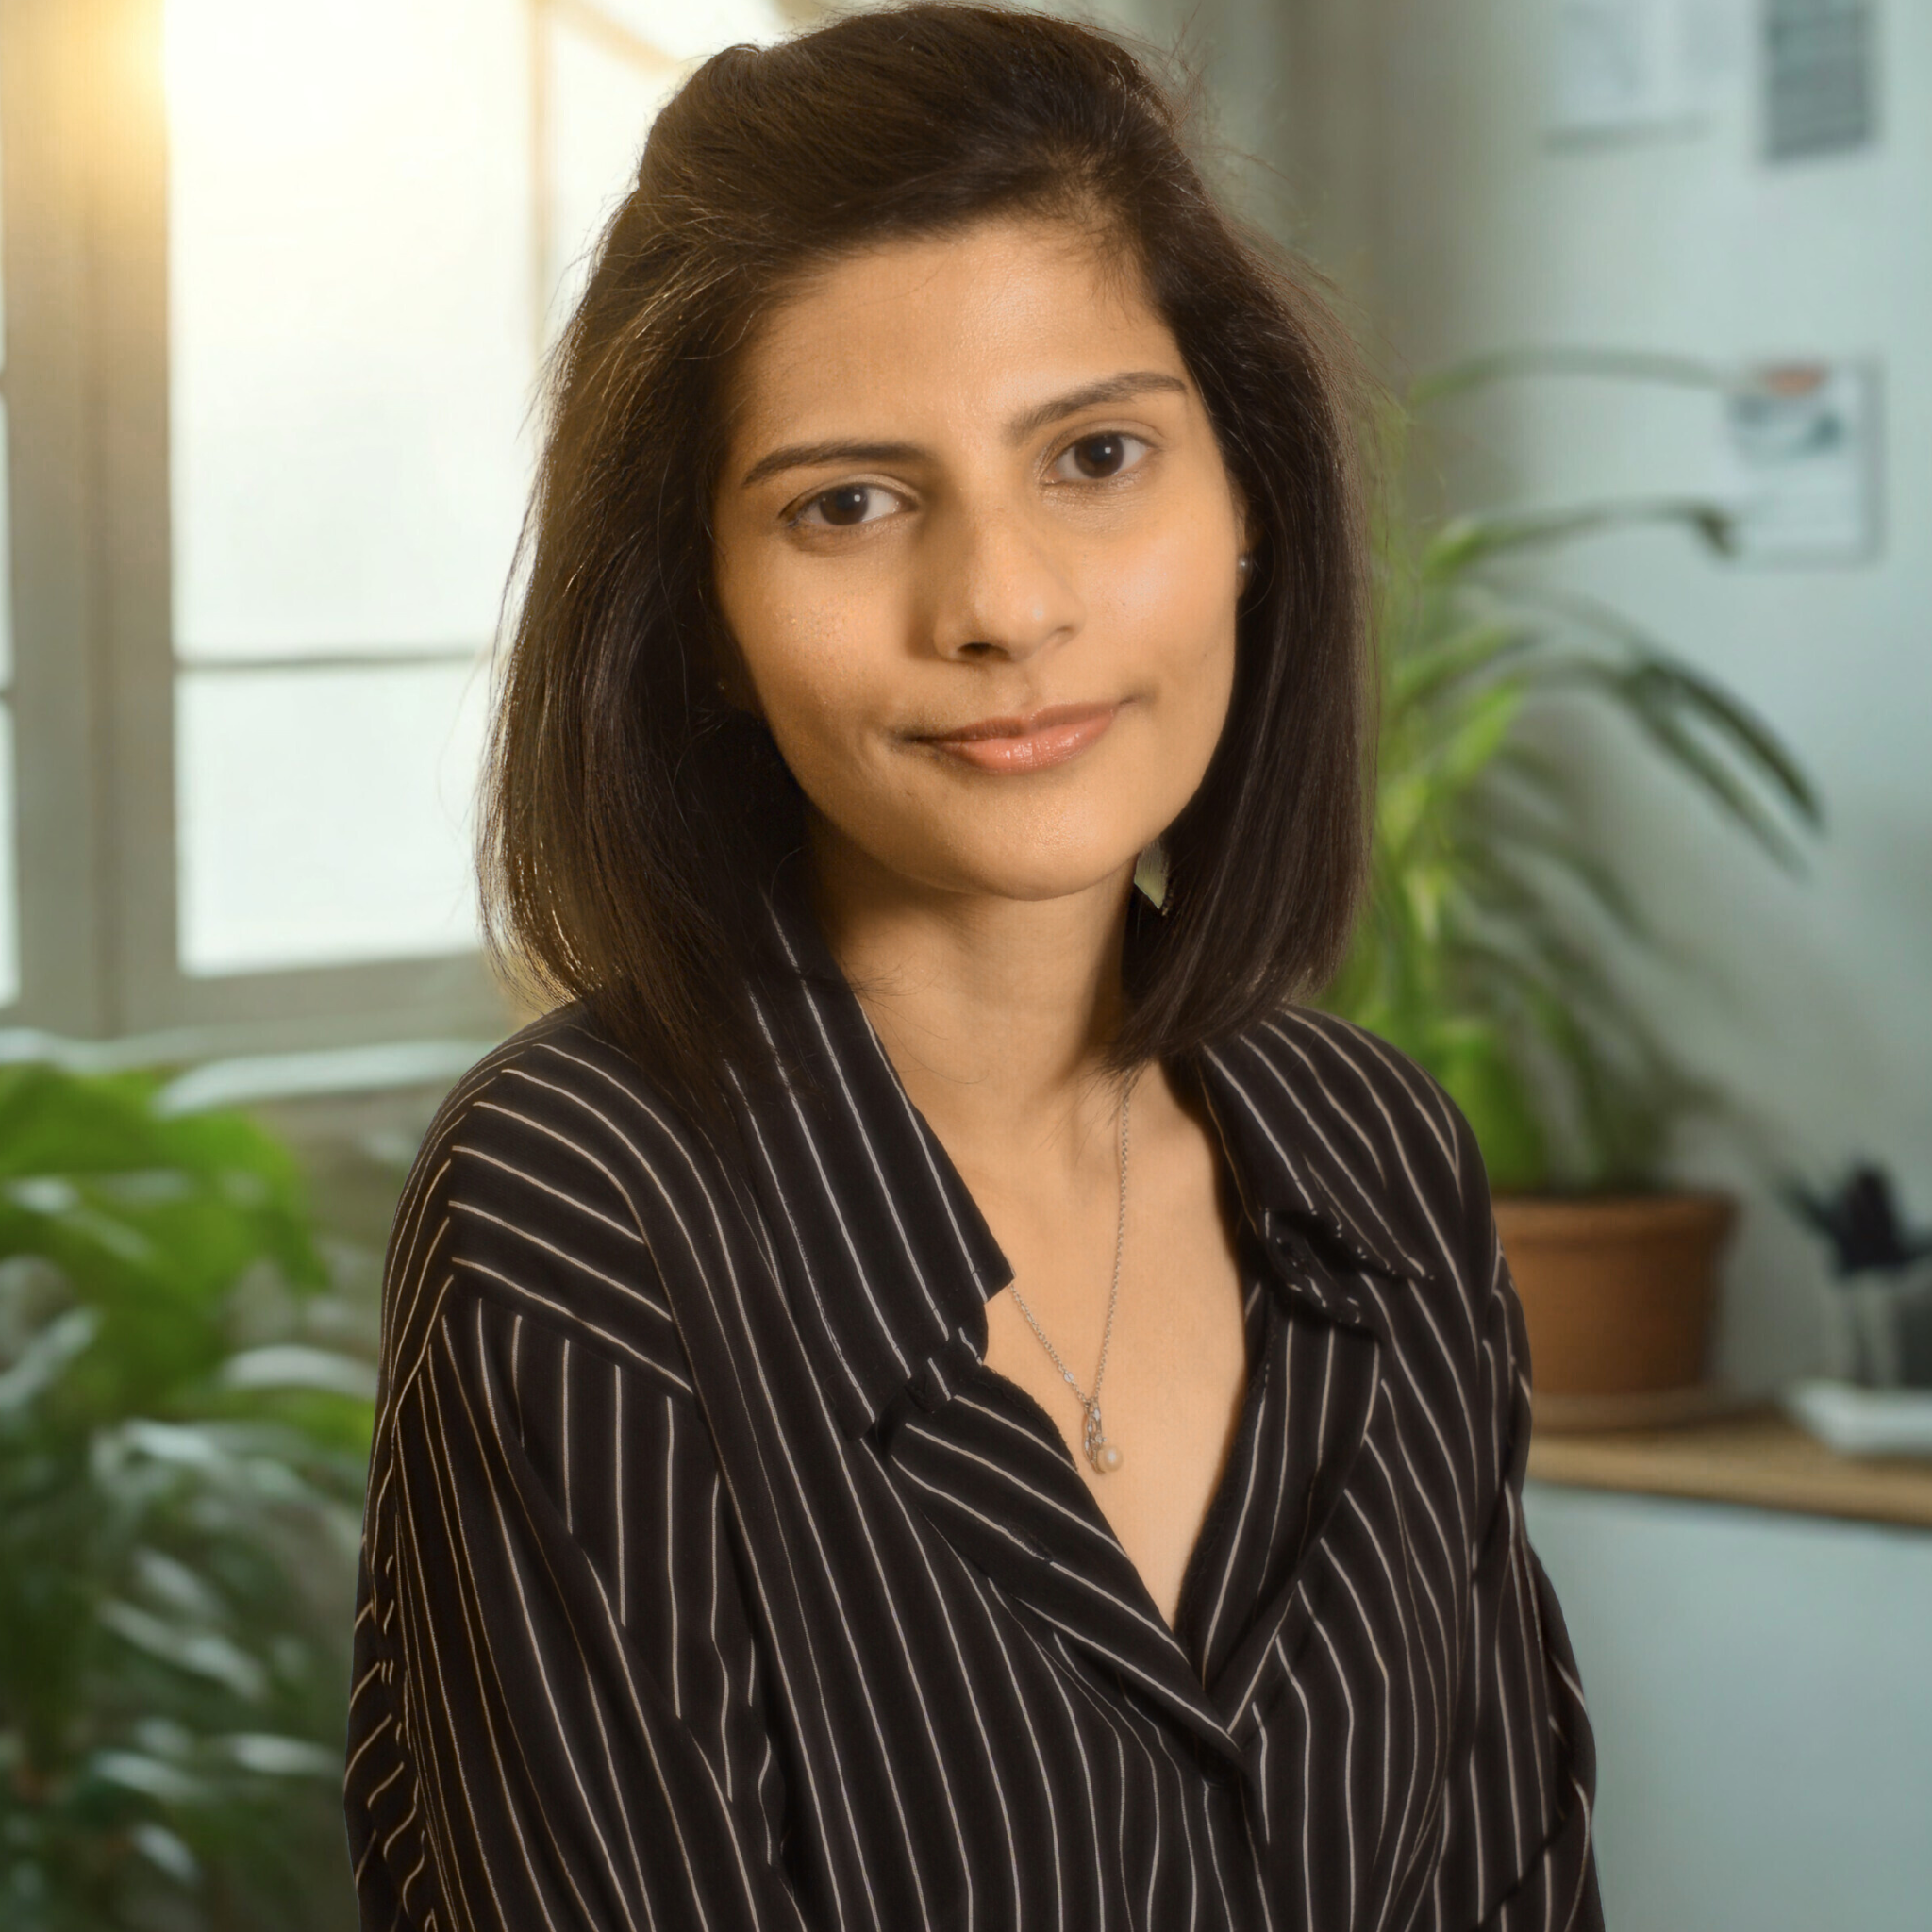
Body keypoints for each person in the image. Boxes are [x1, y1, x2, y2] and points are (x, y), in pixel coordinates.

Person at [343, 6, 1603, 1927]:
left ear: (1248, 503)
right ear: (698, 612)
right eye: (845, 503)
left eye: (1096, 455)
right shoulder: (581, 1211)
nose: (1001, 606)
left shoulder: (1374, 1158)